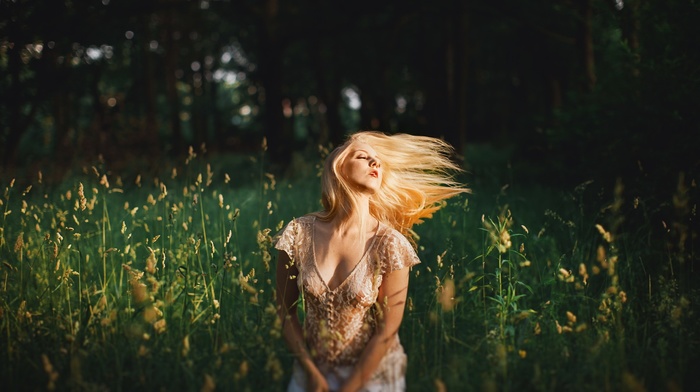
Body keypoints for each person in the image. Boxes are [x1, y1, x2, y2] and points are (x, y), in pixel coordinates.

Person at [274, 131, 469, 391]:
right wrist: (310, 371)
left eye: (378, 160)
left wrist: (349, 388)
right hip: (313, 371)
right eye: (364, 157)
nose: (374, 163)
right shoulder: (298, 233)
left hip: (373, 374)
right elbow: (285, 312)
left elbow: (386, 333)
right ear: (338, 168)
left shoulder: (390, 244)